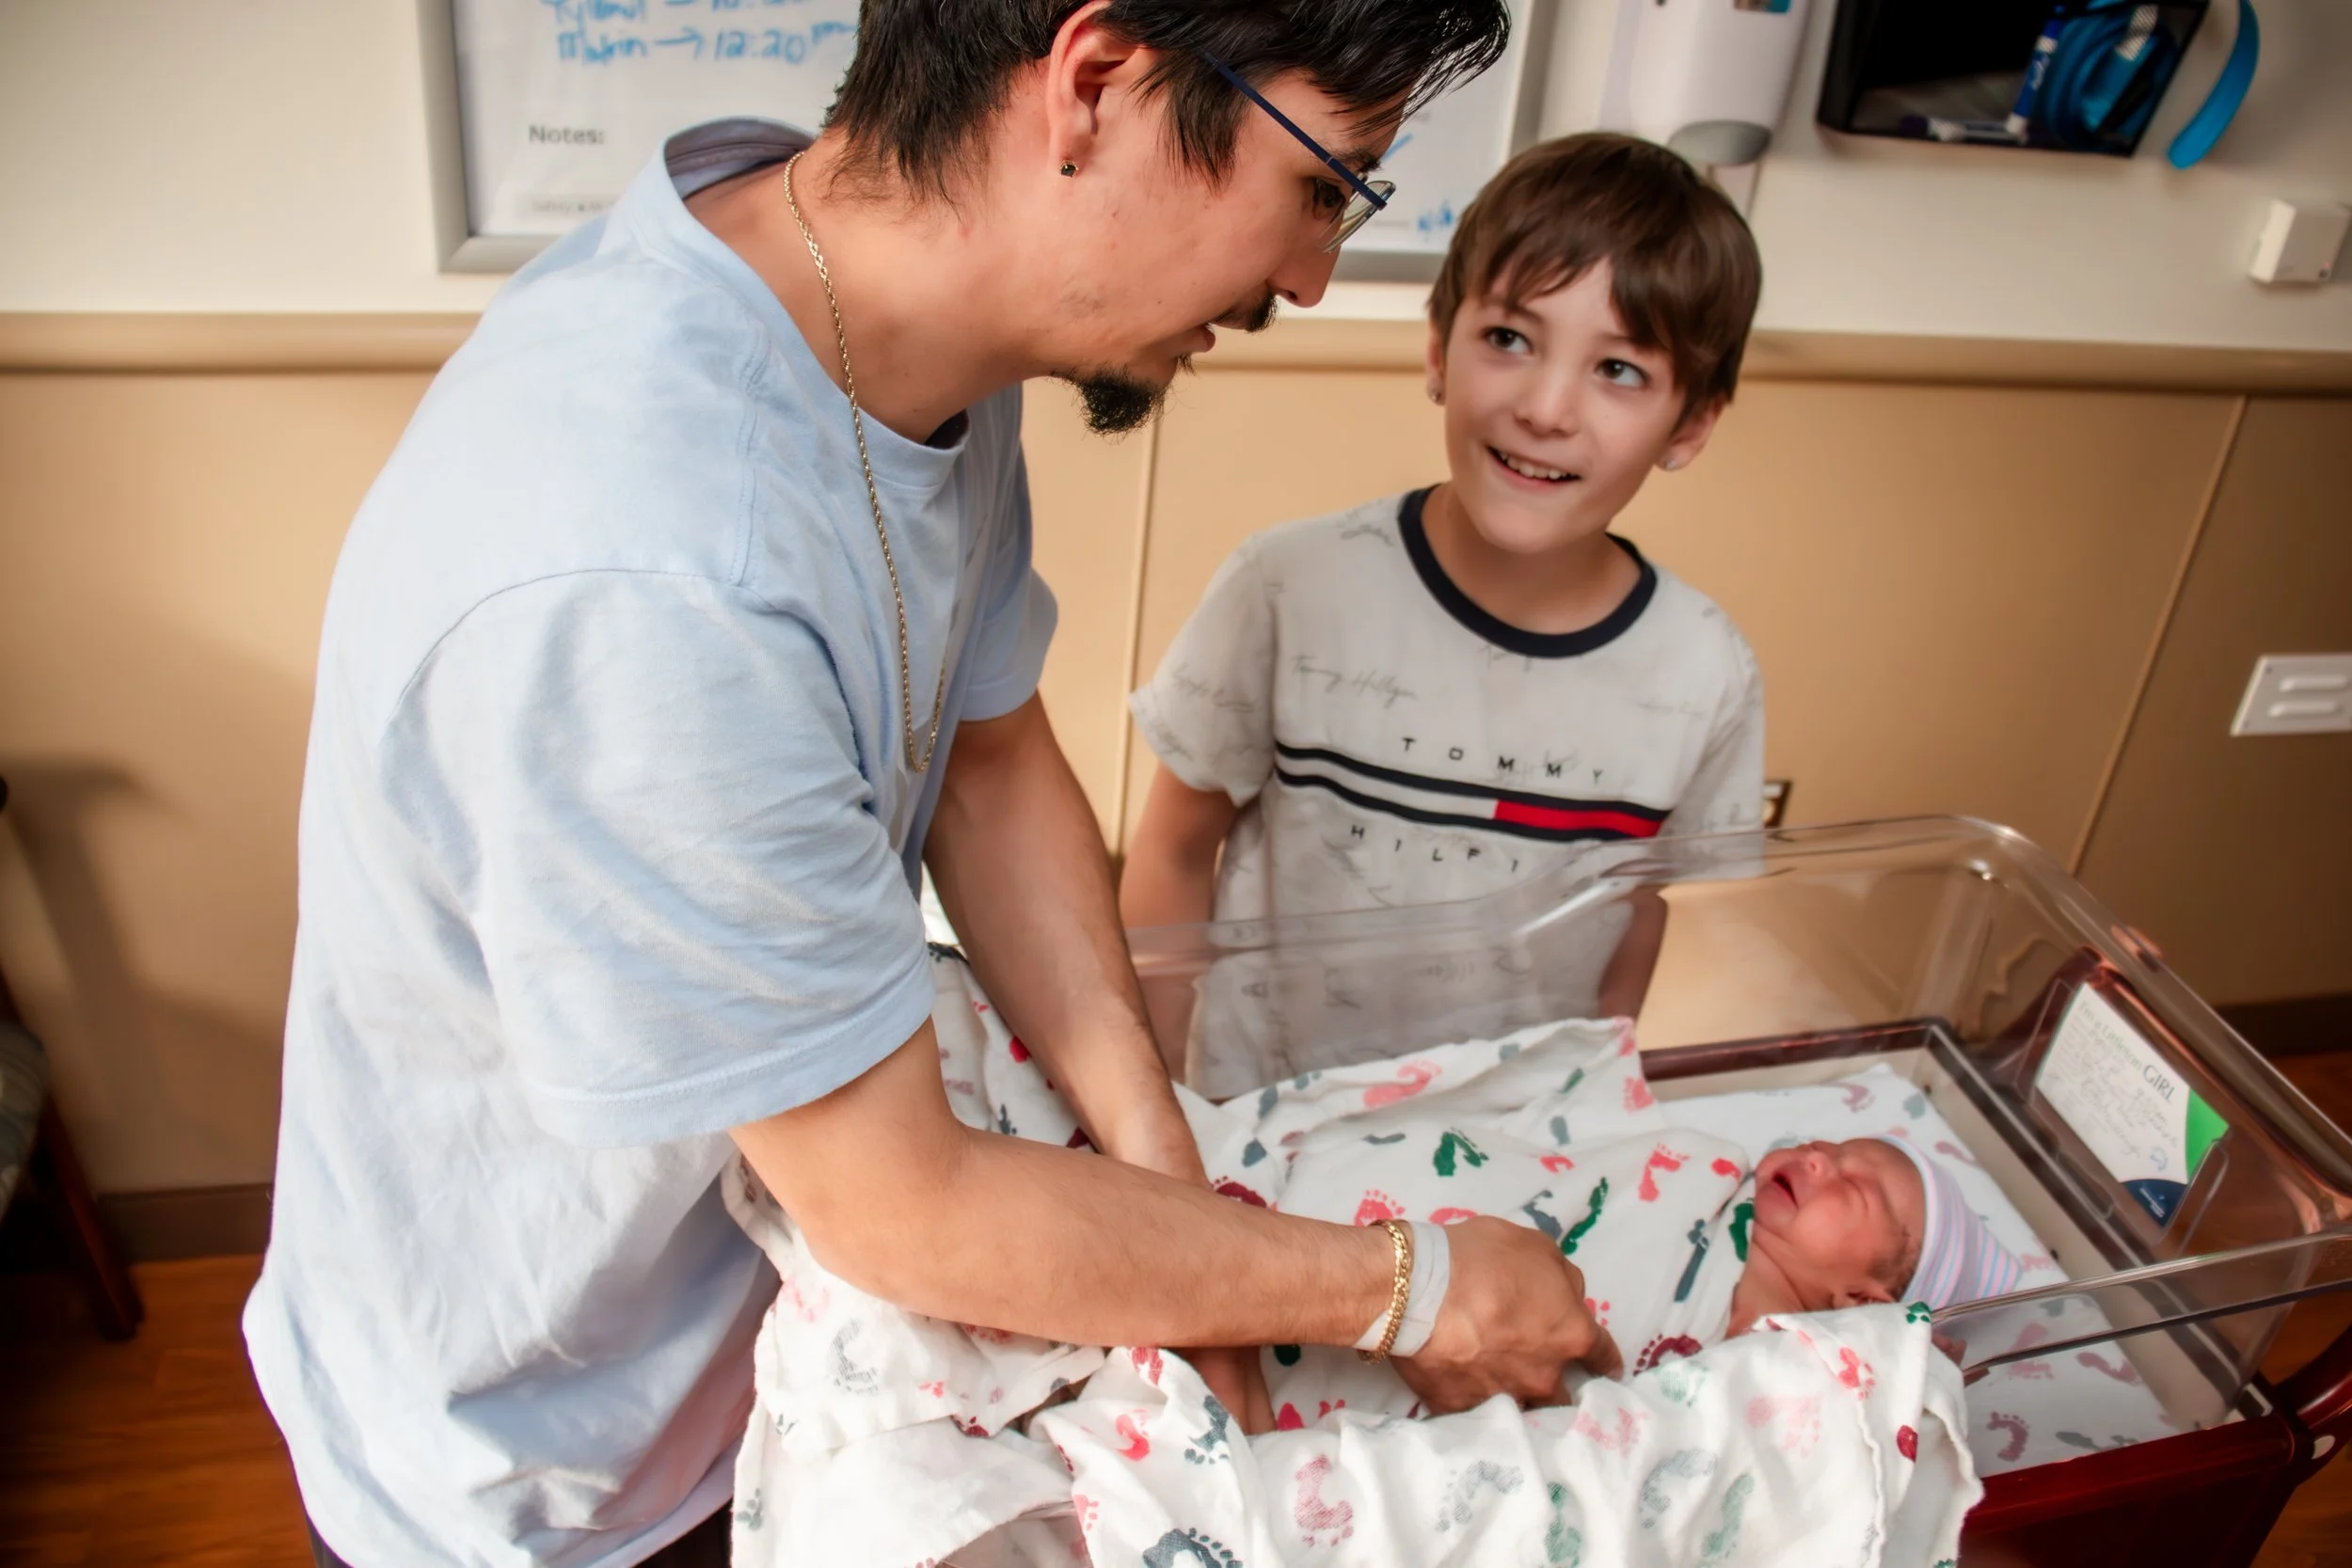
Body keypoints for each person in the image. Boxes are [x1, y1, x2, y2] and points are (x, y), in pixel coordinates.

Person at [242, 4, 1629, 1565]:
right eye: (1321, 185)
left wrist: (1163, 1172)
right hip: (553, 1447)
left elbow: (988, 759)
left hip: (767, 1311)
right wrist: (1406, 1288)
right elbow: (905, 1203)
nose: (1310, 277)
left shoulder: (882, 315)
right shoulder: (651, 576)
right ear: (1094, 85)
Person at [1120, 133, 1769, 1070]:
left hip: (1512, 1120)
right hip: (1262, 1106)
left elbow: (1641, 906)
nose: (1546, 408)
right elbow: (1173, 853)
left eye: (1619, 370)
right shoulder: (1284, 585)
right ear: (1438, 350)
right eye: (1509, 339)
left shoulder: (1707, 670)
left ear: (1692, 423)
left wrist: (1598, 1087)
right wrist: (1152, 1094)